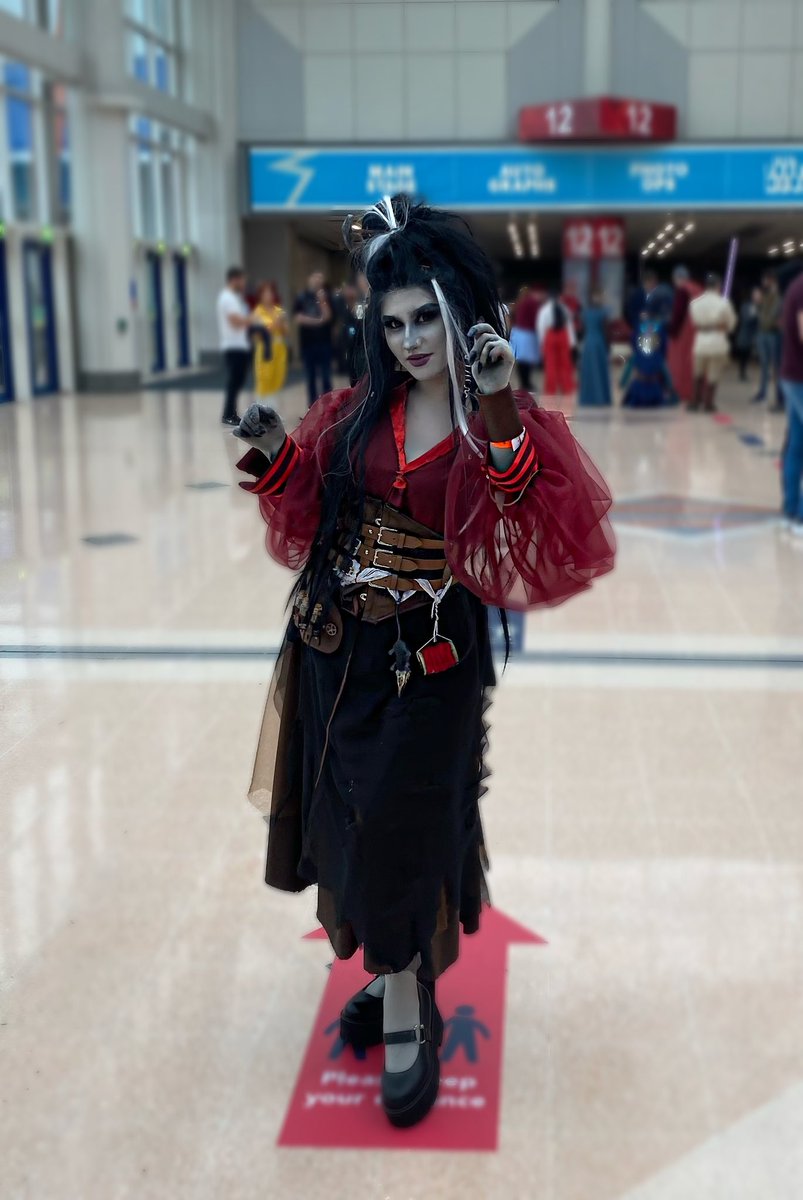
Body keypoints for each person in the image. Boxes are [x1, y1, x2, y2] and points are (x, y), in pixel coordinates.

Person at [230, 195, 615, 1129]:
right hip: (336, 653)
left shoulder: (495, 419)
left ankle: (405, 1001)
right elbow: (312, 509)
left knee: (403, 830)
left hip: (431, 666)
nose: (408, 341)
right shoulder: (359, 412)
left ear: (457, 314)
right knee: (349, 822)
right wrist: (277, 455)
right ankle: (397, 974)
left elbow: (530, 519)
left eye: (423, 320)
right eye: (393, 322)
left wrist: (497, 401)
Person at [689, 272, 737, 413]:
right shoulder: (724, 303)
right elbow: (732, 323)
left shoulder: (695, 303)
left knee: (698, 374)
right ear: (718, 286)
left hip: (700, 341)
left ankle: (695, 401)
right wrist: (724, 327)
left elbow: (693, 322)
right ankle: (708, 403)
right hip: (717, 341)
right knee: (713, 374)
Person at [779, 264, 803, 535]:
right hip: (799, 378)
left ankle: (791, 509)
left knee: (797, 444)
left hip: (792, 375)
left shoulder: (795, 285)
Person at [217, 266, 253, 425]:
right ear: (235, 279)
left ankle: (231, 412)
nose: (244, 283)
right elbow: (235, 321)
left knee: (237, 381)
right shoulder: (228, 298)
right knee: (234, 381)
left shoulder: (235, 298)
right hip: (234, 346)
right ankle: (228, 414)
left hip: (240, 345)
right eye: (242, 280)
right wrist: (253, 319)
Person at [293, 270, 333, 407]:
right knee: (310, 377)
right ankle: (313, 407)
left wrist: (322, 301)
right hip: (308, 343)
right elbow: (298, 318)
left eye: (320, 278)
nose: (317, 280)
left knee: (326, 376)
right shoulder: (302, 297)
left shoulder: (326, 297)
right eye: (315, 277)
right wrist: (318, 321)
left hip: (324, 342)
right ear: (309, 279)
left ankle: (329, 406)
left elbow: (328, 317)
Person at [667, 266, 701, 405]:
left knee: (679, 363)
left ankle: (681, 391)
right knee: (693, 362)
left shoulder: (682, 291)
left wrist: (672, 331)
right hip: (697, 330)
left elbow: (678, 313)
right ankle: (695, 391)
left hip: (683, 332)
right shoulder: (698, 289)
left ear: (678, 278)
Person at [251, 281, 288, 409]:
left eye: (271, 292)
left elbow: (286, 332)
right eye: (266, 293)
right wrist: (275, 323)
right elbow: (258, 334)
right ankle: (262, 409)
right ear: (261, 295)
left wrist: (282, 325)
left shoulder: (279, 311)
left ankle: (274, 411)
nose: (269, 295)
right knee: (265, 377)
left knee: (278, 377)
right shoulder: (258, 312)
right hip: (265, 348)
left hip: (279, 347)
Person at [752, 272, 783, 409]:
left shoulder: (778, 297)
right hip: (763, 333)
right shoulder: (764, 297)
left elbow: (772, 316)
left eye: (767, 280)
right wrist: (758, 304)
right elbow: (760, 315)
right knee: (764, 365)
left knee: (776, 366)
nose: (764, 283)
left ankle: (779, 397)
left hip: (773, 334)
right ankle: (763, 392)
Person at [537, 293, 576, 395]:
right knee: (565, 363)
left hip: (550, 335)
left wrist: (542, 342)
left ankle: (551, 388)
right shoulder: (565, 309)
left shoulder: (545, 310)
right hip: (563, 335)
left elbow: (541, 326)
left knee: (550, 363)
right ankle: (566, 387)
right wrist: (571, 342)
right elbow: (569, 325)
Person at [578, 290, 611, 407]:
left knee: (589, 370)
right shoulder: (603, 313)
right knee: (598, 370)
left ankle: (588, 398)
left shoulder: (585, 313)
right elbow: (606, 330)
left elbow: (582, 329)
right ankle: (600, 398)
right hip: (599, 342)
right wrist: (608, 345)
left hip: (589, 342)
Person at [508, 285, 541, 391]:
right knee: (527, 360)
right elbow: (535, 318)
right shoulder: (531, 302)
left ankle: (524, 383)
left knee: (521, 360)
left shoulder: (519, 302)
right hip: (527, 333)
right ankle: (526, 383)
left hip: (518, 332)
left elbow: (512, 316)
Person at [734, 287, 760, 384]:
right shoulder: (746, 306)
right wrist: (756, 313)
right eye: (756, 295)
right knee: (744, 355)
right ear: (752, 296)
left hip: (758, 335)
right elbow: (746, 319)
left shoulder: (763, 306)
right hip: (746, 334)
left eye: (759, 295)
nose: (758, 297)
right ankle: (742, 372)